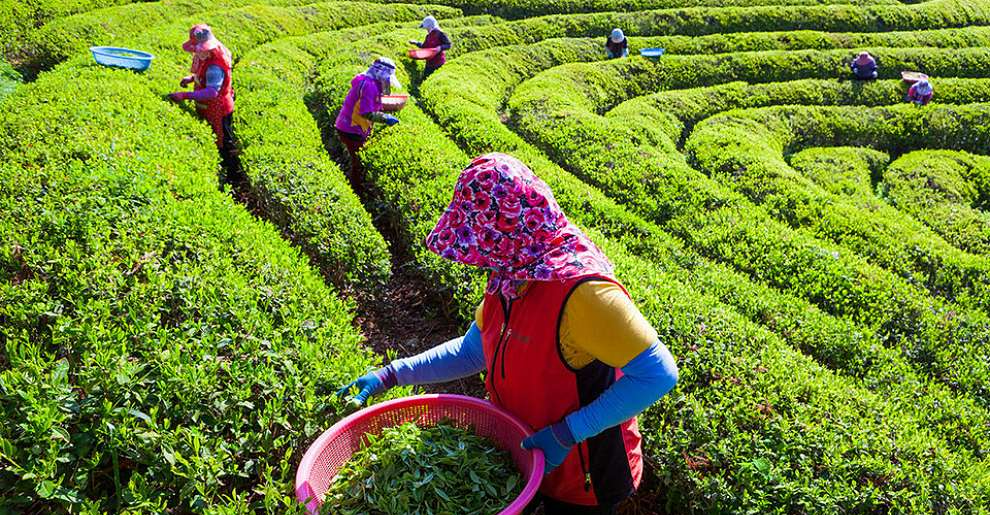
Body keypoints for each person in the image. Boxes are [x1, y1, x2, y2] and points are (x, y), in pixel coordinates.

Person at [337, 153, 680, 515]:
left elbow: (657, 374)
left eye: (483, 243)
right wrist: (392, 374)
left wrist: (568, 433)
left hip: (586, 471)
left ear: (506, 235)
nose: (480, 257)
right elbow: (474, 351)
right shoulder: (512, 271)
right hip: (525, 448)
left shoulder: (584, 294)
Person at [167, 24, 244, 188]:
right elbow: (201, 75)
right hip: (207, 108)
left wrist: (185, 95)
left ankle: (234, 179)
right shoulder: (205, 57)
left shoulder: (215, 66)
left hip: (219, 109)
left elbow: (211, 92)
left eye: (198, 49)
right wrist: (190, 79)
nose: (196, 52)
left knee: (224, 143)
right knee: (216, 140)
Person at [334, 57, 401, 192]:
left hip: (350, 126)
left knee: (356, 158)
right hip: (351, 128)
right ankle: (355, 190)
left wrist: (386, 88)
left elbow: (383, 96)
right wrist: (385, 118)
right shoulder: (369, 86)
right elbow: (366, 112)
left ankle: (354, 182)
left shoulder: (369, 81)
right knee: (358, 163)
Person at [409, 15, 451, 79]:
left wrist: (440, 48)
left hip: (439, 63)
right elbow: (424, 47)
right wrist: (416, 43)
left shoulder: (440, 34)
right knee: (424, 79)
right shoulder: (428, 36)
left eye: (427, 28)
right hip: (429, 63)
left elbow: (448, 45)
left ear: (430, 26)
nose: (426, 30)